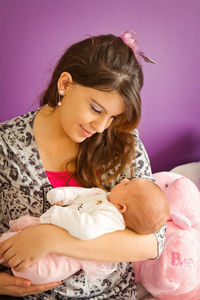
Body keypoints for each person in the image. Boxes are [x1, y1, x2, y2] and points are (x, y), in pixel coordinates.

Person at [0, 31, 167, 299]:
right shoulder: (7, 145)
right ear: (65, 83)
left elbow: (153, 241)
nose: (101, 127)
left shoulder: (123, 143)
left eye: (112, 116)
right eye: (96, 109)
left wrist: (53, 238)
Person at [0, 178, 169, 285]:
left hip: (67, 253)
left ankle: (21, 270)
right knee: (7, 241)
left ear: (121, 207)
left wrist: (59, 213)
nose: (124, 179)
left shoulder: (111, 218)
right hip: (49, 227)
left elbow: (86, 229)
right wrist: (63, 195)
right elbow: (81, 194)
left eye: (127, 184)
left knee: (37, 270)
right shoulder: (102, 194)